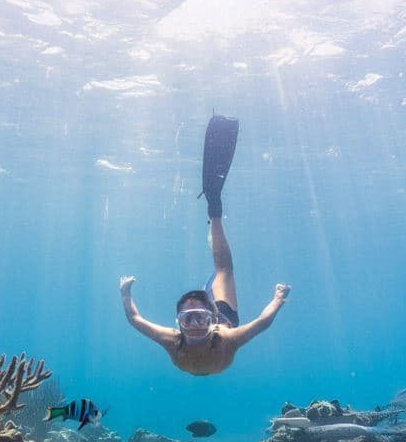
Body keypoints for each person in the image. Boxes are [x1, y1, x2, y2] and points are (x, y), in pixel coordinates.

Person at [121, 115, 290, 376]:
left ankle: (214, 209)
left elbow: (135, 320)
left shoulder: (225, 339)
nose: (196, 325)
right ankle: (215, 210)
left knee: (223, 270)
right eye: (189, 318)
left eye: (200, 316)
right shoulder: (176, 341)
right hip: (227, 316)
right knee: (224, 269)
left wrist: (125, 293)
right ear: (179, 323)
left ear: (211, 318)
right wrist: (278, 299)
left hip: (222, 323)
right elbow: (263, 322)